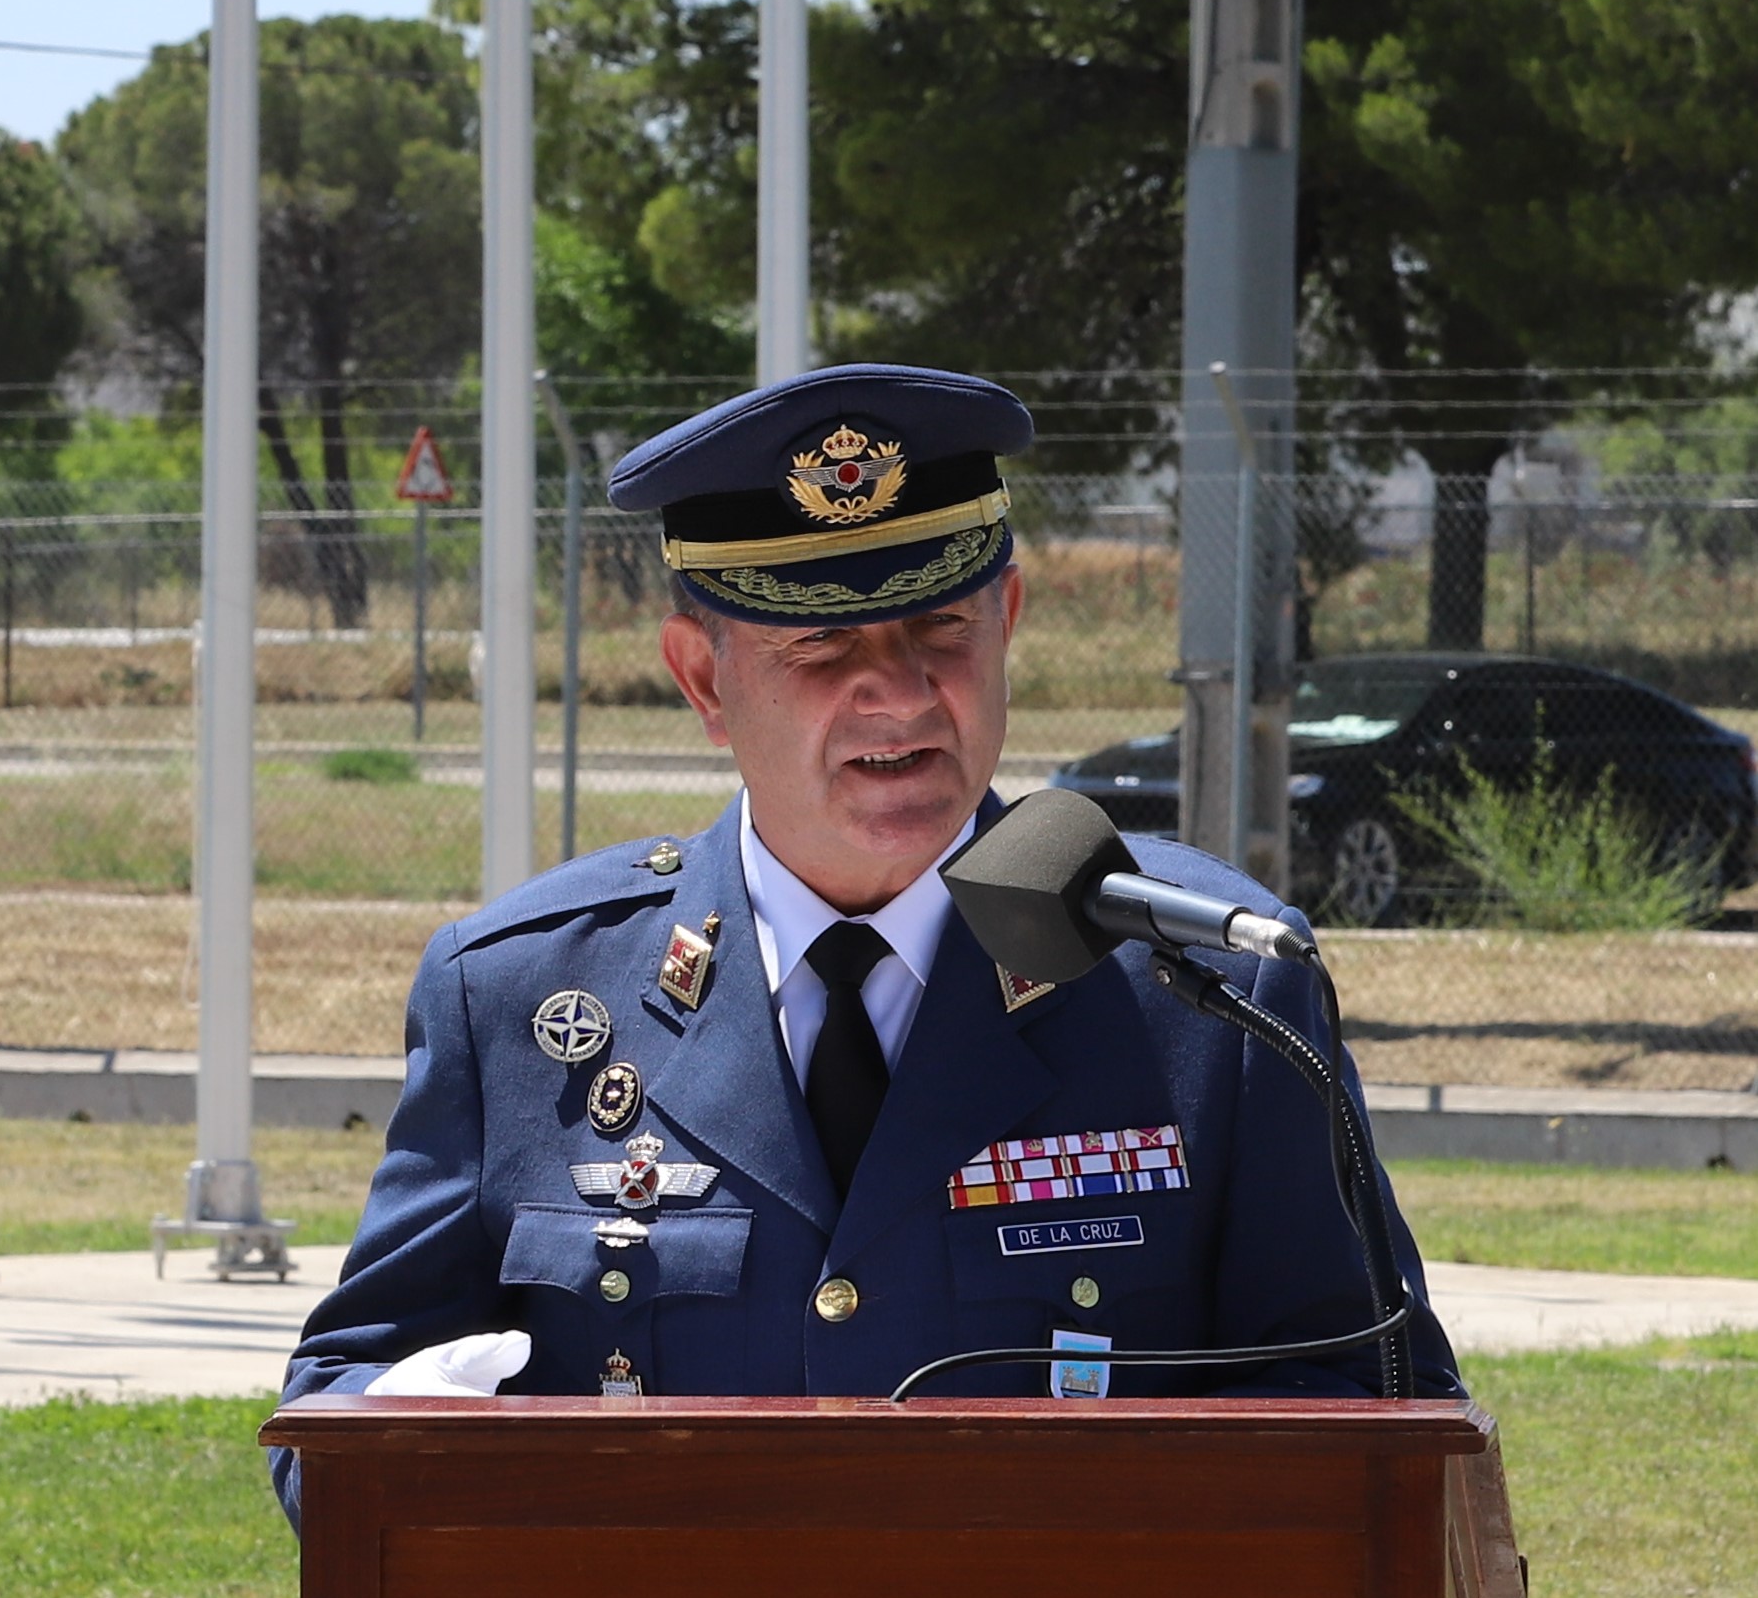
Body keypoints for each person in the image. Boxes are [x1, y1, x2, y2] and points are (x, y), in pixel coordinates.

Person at [271, 364, 1458, 1521]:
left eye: (940, 628)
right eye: (823, 651)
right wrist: (406, 1432)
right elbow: (336, 1407)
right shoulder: (523, 995)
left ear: (1009, 622)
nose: (898, 695)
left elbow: (1374, 1401)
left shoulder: (1206, 987)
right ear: (704, 678)